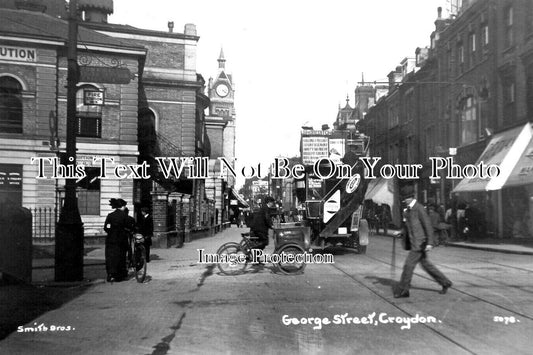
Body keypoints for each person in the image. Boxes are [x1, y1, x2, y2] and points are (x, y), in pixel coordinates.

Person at [394, 185, 452, 298]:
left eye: (405, 198)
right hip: (414, 243)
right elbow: (408, 227)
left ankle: (403, 290)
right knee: (426, 266)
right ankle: (445, 282)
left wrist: (430, 243)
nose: (404, 201)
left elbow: (428, 226)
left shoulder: (419, 208)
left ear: (410, 198)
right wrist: (400, 232)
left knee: (408, 266)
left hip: (420, 244)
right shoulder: (408, 211)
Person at [103, 198, 129, 282]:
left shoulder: (110, 215)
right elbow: (128, 227)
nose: (125, 207)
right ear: (122, 206)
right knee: (121, 257)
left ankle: (110, 274)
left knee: (110, 257)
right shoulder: (125, 216)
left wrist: (111, 232)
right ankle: (119, 275)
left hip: (111, 239)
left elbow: (106, 227)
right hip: (121, 239)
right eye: (124, 206)